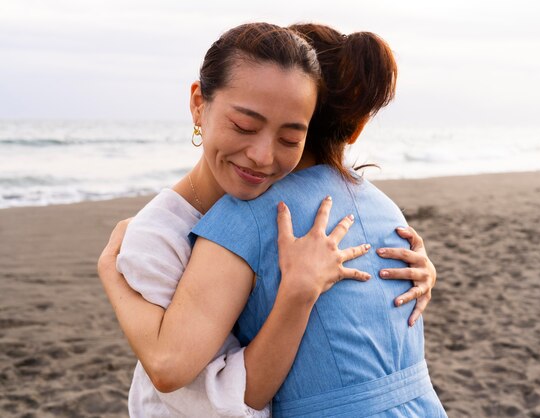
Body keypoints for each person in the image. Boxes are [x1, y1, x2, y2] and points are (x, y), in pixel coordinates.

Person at [98, 22, 440, 417]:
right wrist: (112, 273)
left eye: (290, 138)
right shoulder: (163, 234)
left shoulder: (256, 215)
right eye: (245, 126)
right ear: (198, 104)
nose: (262, 156)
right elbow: (175, 372)